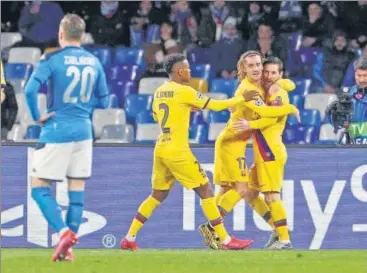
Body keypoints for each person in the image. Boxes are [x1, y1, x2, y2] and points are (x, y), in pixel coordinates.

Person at [121, 54, 258, 251]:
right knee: (205, 190)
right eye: (187, 69)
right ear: (179, 72)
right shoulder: (184, 91)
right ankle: (225, 240)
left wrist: (184, 110)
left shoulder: (160, 90)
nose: (190, 72)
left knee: (157, 195)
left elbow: (155, 114)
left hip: (161, 148)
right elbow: (216, 106)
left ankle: (130, 237)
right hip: (178, 150)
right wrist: (240, 99)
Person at [24, 14, 109, 262]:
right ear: (82, 37)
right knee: (77, 190)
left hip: (57, 130)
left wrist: (37, 116)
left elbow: (30, 89)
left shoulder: (53, 58)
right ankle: (68, 248)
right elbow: (104, 101)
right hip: (84, 132)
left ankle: (63, 232)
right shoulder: (94, 61)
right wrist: (82, 107)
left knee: (39, 188)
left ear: (61, 35)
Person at [198, 51, 299, 250]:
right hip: (232, 143)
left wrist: (283, 84)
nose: (260, 70)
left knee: (242, 191)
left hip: (256, 147)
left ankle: (215, 231)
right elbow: (265, 114)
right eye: (252, 66)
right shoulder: (249, 88)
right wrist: (290, 108)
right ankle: (213, 230)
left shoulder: (265, 85)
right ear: (243, 68)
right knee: (243, 190)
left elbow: (288, 85)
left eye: (259, 65)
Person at [233, 56, 295, 249]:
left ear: (280, 74)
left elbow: (272, 118)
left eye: (273, 73)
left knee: (271, 195)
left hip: (270, 151)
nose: (268, 76)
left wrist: (249, 124)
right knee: (249, 192)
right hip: (261, 152)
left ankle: (284, 240)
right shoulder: (267, 91)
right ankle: (276, 228)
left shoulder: (278, 94)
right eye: (266, 72)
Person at [348, 57, 367, 122]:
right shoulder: (352, 91)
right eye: (359, 75)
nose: (362, 80)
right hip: (355, 131)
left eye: (365, 75)